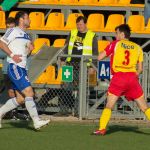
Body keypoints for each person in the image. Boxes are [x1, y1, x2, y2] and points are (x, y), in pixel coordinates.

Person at [93, 24, 150, 135]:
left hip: (119, 78)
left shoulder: (115, 44)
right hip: (132, 78)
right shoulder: (138, 47)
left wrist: (110, 55)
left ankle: (102, 129)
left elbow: (100, 57)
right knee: (144, 107)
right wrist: (133, 76)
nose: (116, 35)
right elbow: (140, 69)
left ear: (122, 34)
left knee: (109, 105)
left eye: (117, 33)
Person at [0, 11, 50, 130]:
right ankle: (36, 121)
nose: (30, 20)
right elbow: (1, 43)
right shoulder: (13, 30)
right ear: (21, 20)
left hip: (22, 68)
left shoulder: (26, 35)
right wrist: (12, 55)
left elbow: (25, 55)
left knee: (21, 99)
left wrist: (30, 50)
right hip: (14, 67)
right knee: (29, 92)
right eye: (28, 18)